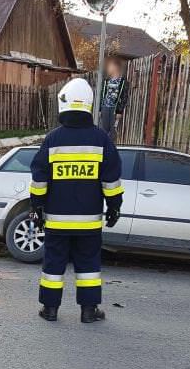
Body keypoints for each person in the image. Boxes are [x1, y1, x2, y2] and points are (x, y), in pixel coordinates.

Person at [29, 78, 124, 324]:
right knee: (89, 266)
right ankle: (89, 311)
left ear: (64, 104)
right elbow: (111, 178)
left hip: (57, 222)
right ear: (89, 105)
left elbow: (39, 178)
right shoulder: (101, 139)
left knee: (53, 265)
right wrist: (114, 206)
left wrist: (36, 207)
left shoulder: (52, 140)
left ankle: (49, 310)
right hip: (89, 222)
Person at [99, 57, 130, 143]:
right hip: (105, 107)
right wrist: (100, 109)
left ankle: (112, 147)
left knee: (113, 130)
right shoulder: (106, 81)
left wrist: (119, 111)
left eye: (110, 66)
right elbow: (102, 94)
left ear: (116, 67)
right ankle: (103, 146)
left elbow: (124, 97)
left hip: (114, 109)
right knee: (104, 129)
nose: (108, 68)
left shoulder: (123, 82)